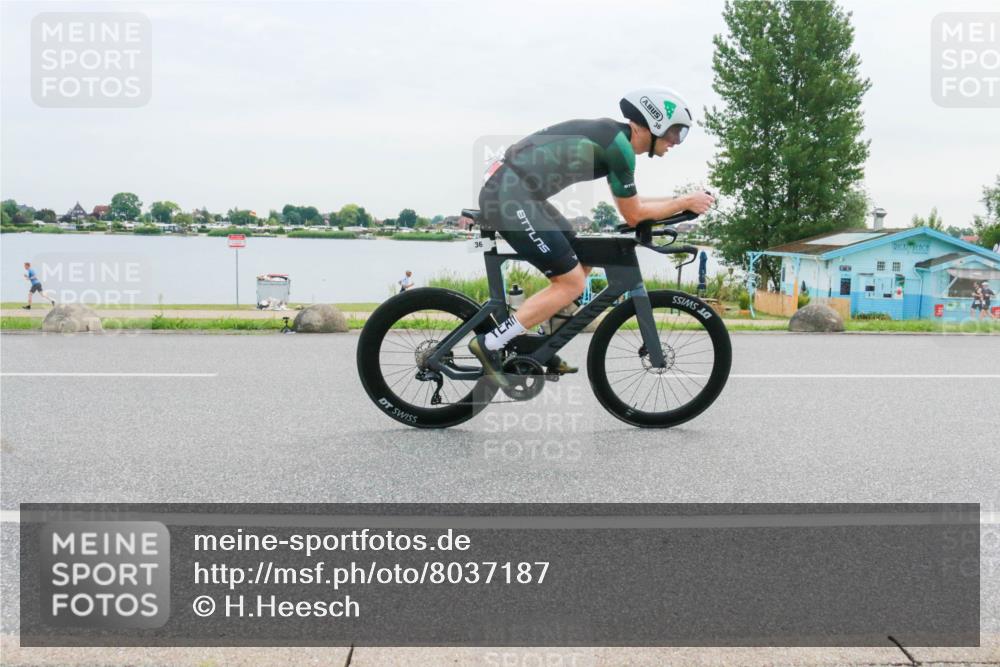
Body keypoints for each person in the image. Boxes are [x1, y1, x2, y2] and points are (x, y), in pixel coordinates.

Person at [470, 87, 715, 386]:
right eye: (675, 133)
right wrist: (683, 203)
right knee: (571, 281)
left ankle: (540, 347)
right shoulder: (619, 149)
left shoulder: (616, 141)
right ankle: (490, 344)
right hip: (511, 195)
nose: (676, 142)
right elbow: (634, 215)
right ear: (654, 124)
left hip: (520, 193)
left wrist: (683, 202)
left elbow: (635, 205)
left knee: (582, 262)